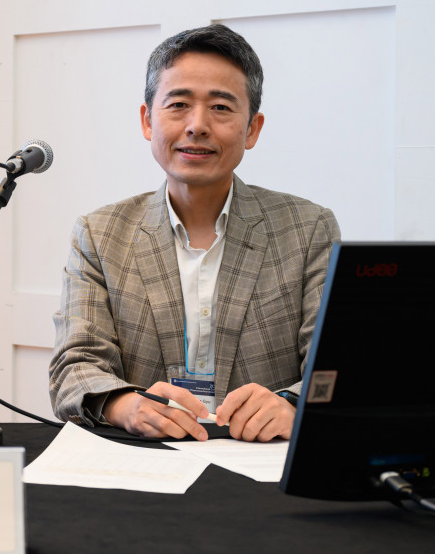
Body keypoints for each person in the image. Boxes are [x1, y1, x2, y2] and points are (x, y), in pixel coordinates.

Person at [49, 25, 339, 442]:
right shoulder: (101, 234)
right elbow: (74, 367)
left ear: (252, 129)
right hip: (145, 458)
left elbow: (332, 368)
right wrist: (124, 405)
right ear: (148, 120)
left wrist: (293, 404)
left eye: (220, 107)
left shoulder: (308, 229)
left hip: (260, 456)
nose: (197, 125)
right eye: (179, 104)